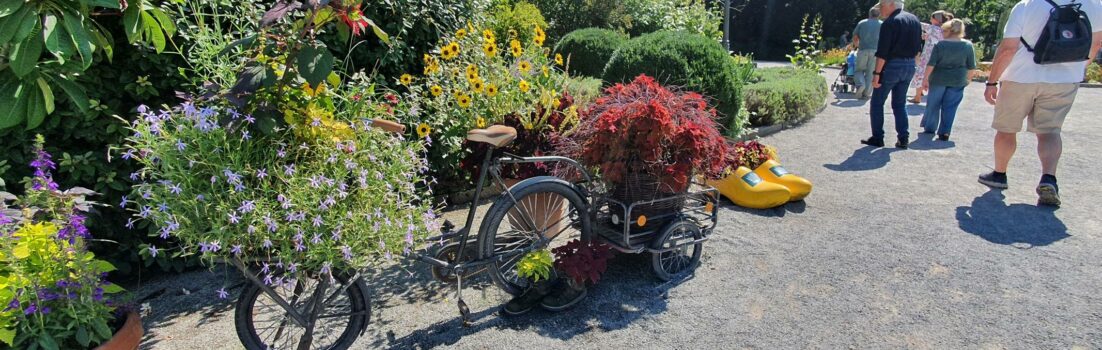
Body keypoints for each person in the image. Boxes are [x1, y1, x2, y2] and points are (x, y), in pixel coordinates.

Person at [980, 0, 1102, 206]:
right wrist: (1077, 69)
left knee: (1006, 129)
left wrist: (992, 81)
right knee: (1050, 132)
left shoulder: (1027, 5)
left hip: (1021, 75)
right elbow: (1095, 44)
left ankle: (999, 174)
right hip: (1064, 79)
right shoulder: (1094, 5)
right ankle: (1049, 178)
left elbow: (1008, 49)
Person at [862, 0, 923, 149]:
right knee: (899, 103)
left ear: (891, 4)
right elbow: (918, 48)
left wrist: (877, 74)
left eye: (882, 5)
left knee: (877, 102)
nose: (880, 9)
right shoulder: (914, 20)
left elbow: (882, 52)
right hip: (909, 64)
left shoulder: (890, 23)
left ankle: (878, 137)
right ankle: (903, 138)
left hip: (891, 65)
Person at [919, 19, 976, 141]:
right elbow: (971, 66)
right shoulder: (967, 45)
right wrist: (968, 80)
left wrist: (925, 79)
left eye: (943, 30)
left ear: (949, 31)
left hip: (939, 78)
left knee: (933, 104)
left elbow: (931, 64)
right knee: (950, 106)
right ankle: (945, 132)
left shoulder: (941, 45)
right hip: (958, 79)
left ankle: (930, 127)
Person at [911, 11, 953, 103]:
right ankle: (932, 98)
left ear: (936, 20)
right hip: (939, 57)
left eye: (931, 17)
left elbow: (919, 24)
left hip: (928, 56)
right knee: (933, 77)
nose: (930, 19)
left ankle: (917, 96)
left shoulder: (933, 28)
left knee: (920, 74)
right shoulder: (945, 30)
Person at [852, 5, 883, 99]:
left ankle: (861, 84)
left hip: (863, 49)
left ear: (869, 14)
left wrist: (856, 45)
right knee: (871, 72)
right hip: (876, 51)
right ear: (879, 15)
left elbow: (855, 37)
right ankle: (866, 94)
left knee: (859, 70)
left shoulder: (862, 23)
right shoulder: (882, 24)